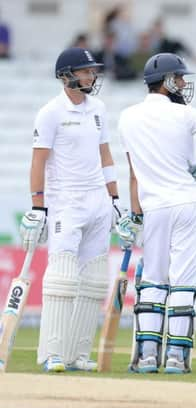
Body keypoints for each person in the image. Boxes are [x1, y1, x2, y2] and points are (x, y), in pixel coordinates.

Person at [117, 53, 196, 374]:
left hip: (154, 208)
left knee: (153, 282)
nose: (184, 84)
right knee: (185, 282)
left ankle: (146, 356)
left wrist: (135, 216)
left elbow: (133, 175)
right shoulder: (184, 114)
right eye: (181, 78)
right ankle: (175, 356)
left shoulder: (127, 117)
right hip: (189, 204)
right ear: (168, 81)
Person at [19, 47, 122, 372]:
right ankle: (52, 354)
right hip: (67, 202)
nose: (92, 75)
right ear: (67, 76)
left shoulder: (99, 109)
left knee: (93, 281)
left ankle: (77, 355)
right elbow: (38, 161)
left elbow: (105, 155)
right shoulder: (50, 112)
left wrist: (115, 199)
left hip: (98, 203)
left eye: (92, 70)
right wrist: (39, 206)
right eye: (85, 71)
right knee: (62, 278)